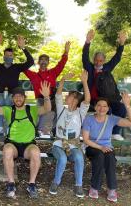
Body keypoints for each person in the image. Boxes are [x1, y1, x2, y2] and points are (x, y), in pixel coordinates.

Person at [0, 81, 51, 199]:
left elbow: (47, 109)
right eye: (15, 96)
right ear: (12, 99)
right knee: (7, 150)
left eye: (20, 96)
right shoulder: (8, 110)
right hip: (13, 144)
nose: (18, 98)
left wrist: (46, 97)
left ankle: (31, 184)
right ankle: (11, 184)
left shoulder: (32, 109)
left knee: (36, 152)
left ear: (24, 98)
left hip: (28, 145)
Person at [82, 94, 131, 202]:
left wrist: (127, 105)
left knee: (110, 158)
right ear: (95, 107)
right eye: (99, 105)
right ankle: (95, 187)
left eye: (104, 106)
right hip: (91, 146)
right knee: (99, 156)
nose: (101, 108)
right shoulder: (88, 119)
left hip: (107, 148)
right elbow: (86, 139)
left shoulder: (112, 119)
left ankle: (112, 189)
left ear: (108, 108)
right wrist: (100, 147)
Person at [0, 33, 34, 135]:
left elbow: (31, 62)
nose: (8, 57)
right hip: (1, 94)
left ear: (13, 57)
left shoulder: (17, 67)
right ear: (4, 56)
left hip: (12, 95)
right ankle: (0, 126)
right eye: (6, 55)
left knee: (9, 103)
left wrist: (23, 48)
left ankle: (9, 127)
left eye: (10, 55)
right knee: (1, 99)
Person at [48, 70, 90, 198]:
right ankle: (56, 182)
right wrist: (62, 80)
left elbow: (87, 99)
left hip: (73, 145)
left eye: (69, 95)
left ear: (75, 99)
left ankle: (78, 185)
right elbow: (58, 95)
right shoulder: (62, 109)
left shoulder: (80, 112)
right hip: (59, 144)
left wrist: (84, 82)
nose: (66, 97)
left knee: (78, 157)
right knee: (62, 158)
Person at [82, 29, 127, 140]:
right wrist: (87, 42)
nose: (98, 63)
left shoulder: (107, 68)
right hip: (93, 100)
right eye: (96, 60)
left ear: (104, 61)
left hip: (107, 99)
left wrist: (121, 44)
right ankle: (103, 134)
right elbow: (84, 57)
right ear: (94, 60)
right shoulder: (89, 67)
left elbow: (117, 58)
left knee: (122, 108)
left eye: (101, 61)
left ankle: (115, 132)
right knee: (108, 110)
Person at [24, 41, 70, 135]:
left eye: (46, 60)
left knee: (60, 112)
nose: (43, 61)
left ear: (48, 62)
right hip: (41, 99)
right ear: (38, 62)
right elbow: (22, 68)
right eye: (41, 60)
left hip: (53, 98)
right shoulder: (33, 75)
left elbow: (61, 64)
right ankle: (39, 130)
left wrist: (66, 52)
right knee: (42, 111)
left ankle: (56, 131)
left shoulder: (53, 73)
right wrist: (23, 48)